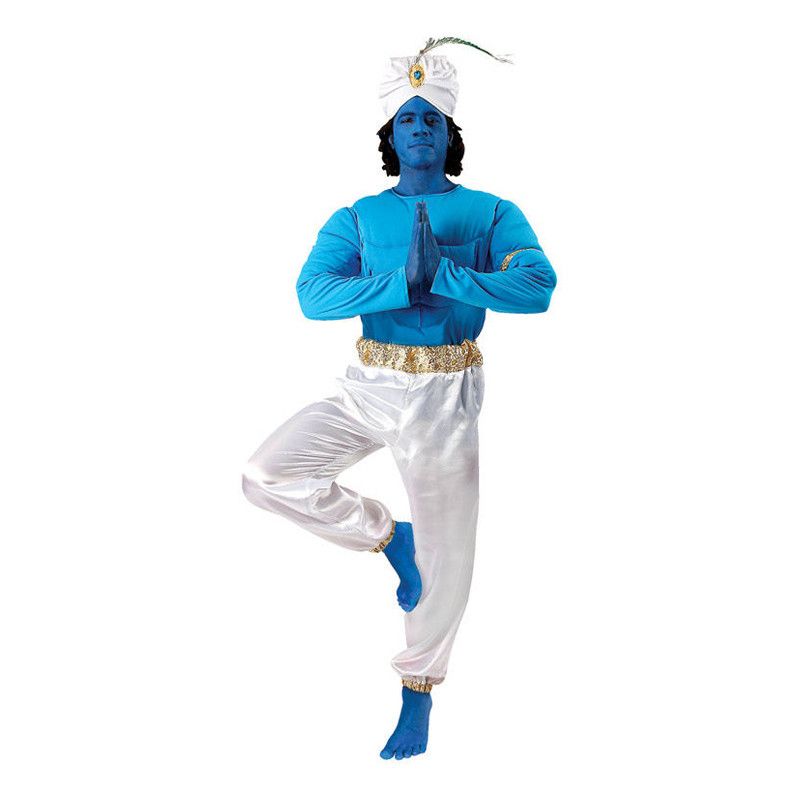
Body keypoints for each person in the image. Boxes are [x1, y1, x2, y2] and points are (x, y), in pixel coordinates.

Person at [242, 38, 557, 760]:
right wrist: (399, 284)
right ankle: (389, 535)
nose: (419, 129)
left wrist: (446, 275)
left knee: (450, 560)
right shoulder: (356, 216)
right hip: (369, 382)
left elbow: (537, 286)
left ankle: (418, 693)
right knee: (265, 475)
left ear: (450, 135)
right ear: (390, 135)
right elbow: (313, 295)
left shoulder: (491, 212)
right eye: (407, 119)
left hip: (444, 395)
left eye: (431, 119)